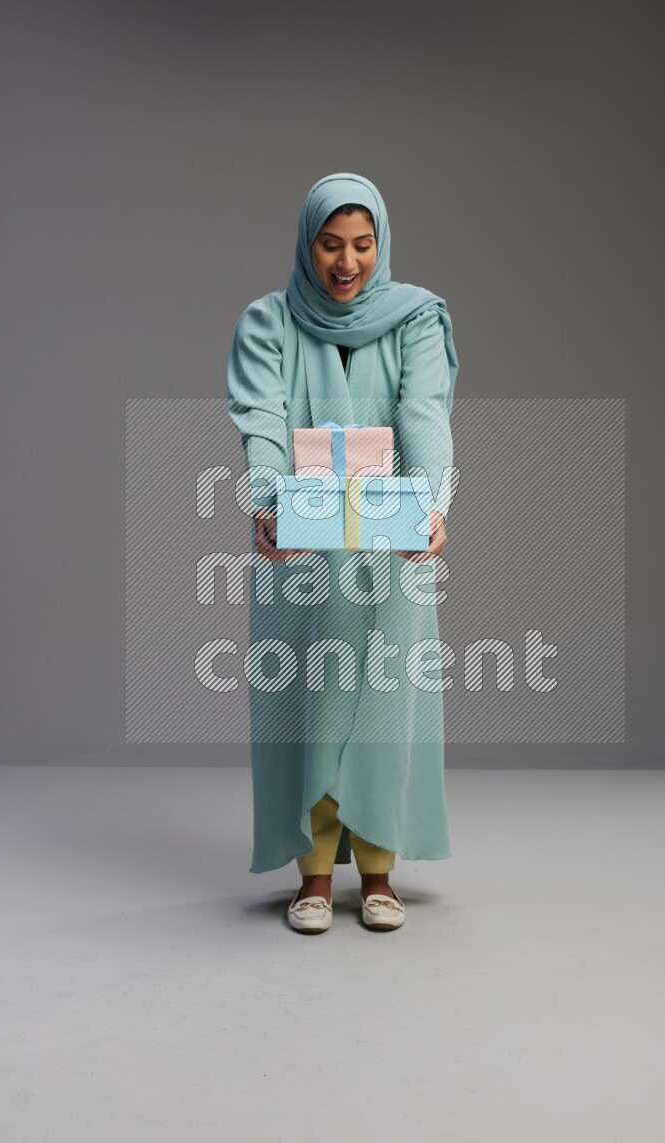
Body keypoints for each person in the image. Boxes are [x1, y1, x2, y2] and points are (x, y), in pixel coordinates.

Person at [226, 172, 458, 933]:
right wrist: (267, 500)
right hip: (305, 541)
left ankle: (381, 875)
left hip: (386, 541)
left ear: (381, 244)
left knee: (386, 704)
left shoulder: (417, 318)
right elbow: (263, 414)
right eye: (331, 244)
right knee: (310, 704)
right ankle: (316, 878)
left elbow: (423, 412)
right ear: (307, 244)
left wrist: (430, 505)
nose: (347, 261)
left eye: (362, 244)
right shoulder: (270, 321)